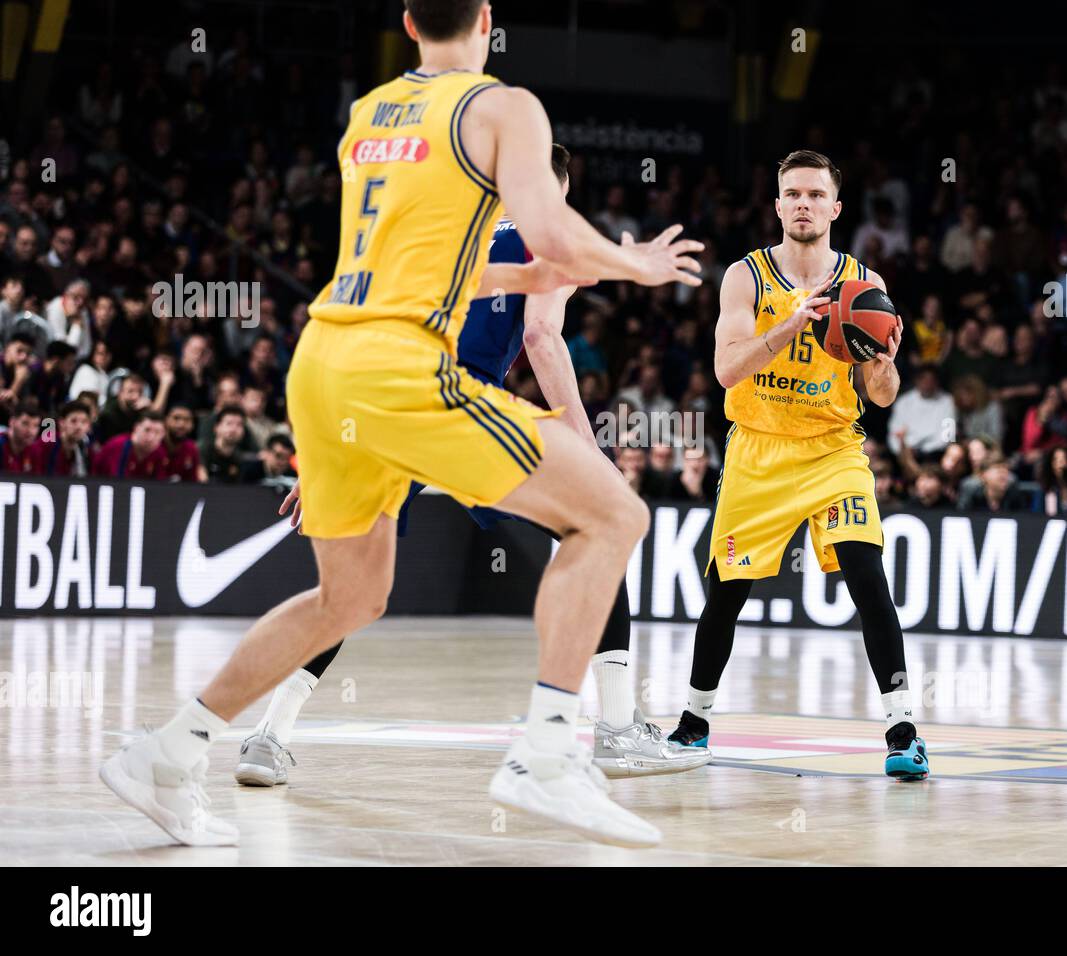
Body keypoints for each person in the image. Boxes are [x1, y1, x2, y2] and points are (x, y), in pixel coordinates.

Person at [98, 0, 702, 850]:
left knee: (352, 595)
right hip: (404, 369)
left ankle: (168, 750)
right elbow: (552, 233)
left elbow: (440, 255)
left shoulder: (368, 113)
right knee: (614, 516)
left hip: (323, 365)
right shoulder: (501, 105)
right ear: (488, 19)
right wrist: (634, 263)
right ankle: (546, 757)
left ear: (410, 23)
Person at [237, 146, 707, 787]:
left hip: (388, 407)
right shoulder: (554, 235)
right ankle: (619, 729)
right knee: (597, 525)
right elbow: (542, 335)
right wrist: (580, 437)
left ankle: (267, 739)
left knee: (348, 596)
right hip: (464, 412)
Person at [665, 149, 929, 781]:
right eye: (793, 194)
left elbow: (883, 395)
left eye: (816, 194)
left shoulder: (866, 286)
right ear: (778, 205)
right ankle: (695, 720)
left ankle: (903, 730)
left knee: (868, 577)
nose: (804, 204)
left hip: (833, 448)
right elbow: (727, 370)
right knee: (725, 594)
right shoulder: (745, 277)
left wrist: (886, 364)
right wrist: (788, 326)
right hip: (758, 447)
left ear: (836, 208)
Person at [92, 410, 169, 479]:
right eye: (147, 430)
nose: (151, 437)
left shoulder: (160, 453)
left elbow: (160, 485)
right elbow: (117, 483)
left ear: (163, 434)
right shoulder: (118, 445)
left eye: (157, 432)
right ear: (136, 428)